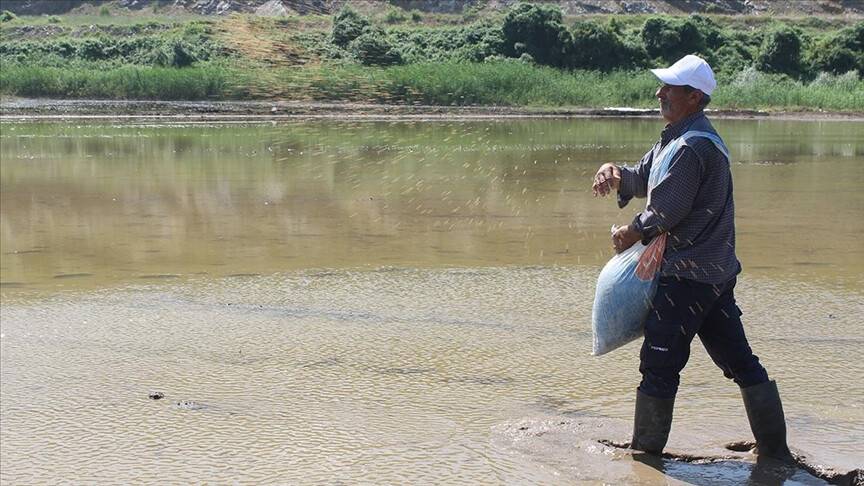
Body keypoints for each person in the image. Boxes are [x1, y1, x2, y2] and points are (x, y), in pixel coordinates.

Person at [591, 55, 793, 461]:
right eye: (662, 86)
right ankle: (775, 451)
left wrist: (630, 233)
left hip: (686, 277)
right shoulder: (677, 137)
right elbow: (644, 178)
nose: (660, 93)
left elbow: (666, 211)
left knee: (659, 363)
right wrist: (615, 172)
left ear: (694, 96)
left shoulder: (693, 146)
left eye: (669, 88)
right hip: (712, 274)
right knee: (739, 360)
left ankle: (645, 457)